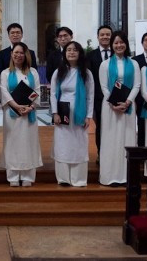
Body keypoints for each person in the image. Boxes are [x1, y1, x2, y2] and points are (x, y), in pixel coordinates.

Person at [98, 31, 140, 186]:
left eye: (121, 42)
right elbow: (103, 86)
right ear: (112, 45)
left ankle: (126, 176)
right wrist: (113, 103)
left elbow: (137, 85)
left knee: (127, 138)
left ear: (126, 44)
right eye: (115, 43)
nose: (119, 45)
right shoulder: (105, 64)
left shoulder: (134, 64)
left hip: (128, 107)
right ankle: (110, 176)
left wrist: (128, 102)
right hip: (110, 107)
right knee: (111, 140)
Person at [50, 41, 94, 187]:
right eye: (68, 50)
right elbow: (53, 94)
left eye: (75, 50)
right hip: (62, 113)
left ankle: (78, 179)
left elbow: (90, 96)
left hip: (80, 114)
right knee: (63, 145)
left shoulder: (86, 73)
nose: (71, 52)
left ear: (80, 53)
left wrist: (88, 116)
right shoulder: (59, 72)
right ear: (64, 53)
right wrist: (55, 113)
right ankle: (63, 178)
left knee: (79, 145)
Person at [0, 42, 43, 187]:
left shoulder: (33, 72)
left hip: (28, 115)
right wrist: (16, 106)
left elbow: (37, 91)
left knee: (28, 144)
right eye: (16, 52)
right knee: (12, 143)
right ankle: (12, 176)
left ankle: (28, 176)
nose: (18, 55)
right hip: (12, 114)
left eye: (21, 53)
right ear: (11, 54)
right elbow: (4, 91)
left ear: (26, 55)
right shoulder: (5, 73)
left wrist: (30, 108)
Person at [87, 25, 112, 156]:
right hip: (98, 98)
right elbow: (89, 79)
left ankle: (115, 153)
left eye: (108, 34)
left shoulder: (118, 53)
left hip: (117, 98)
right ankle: (101, 153)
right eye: (102, 34)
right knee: (101, 127)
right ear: (97, 37)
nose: (105, 37)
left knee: (114, 127)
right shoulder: (91, 55)